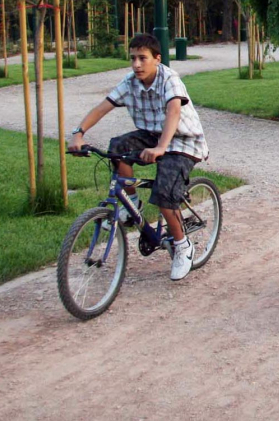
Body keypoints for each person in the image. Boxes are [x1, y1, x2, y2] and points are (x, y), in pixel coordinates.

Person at [67, 33, 209, 280]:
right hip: (152, 136)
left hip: (183, 142)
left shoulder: (170, 79)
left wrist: (161, 147)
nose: (136, 64)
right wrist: (79, 134)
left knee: (165, 196)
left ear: (157, 58)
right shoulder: (130, 81)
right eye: (132, 58)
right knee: (117, 148)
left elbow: (174, 112)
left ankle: (182, 245)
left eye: (142, 58)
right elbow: (103, 107)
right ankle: (132, 204)